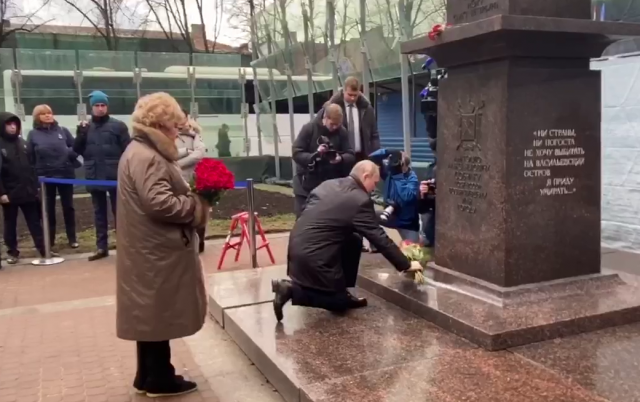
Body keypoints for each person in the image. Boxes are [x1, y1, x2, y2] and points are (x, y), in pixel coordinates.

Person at [116, 92, 210, 397]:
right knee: (159, 313)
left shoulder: (139, 150)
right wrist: (196, 204)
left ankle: (148, 374)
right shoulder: (148, 156)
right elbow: (160, 203)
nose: (177, 131)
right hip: (157, 250)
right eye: (173, 125)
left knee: (150, 315)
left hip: (148, 248)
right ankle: (159, 377)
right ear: (160, 124)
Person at [271, 160, 423, 321]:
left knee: (354, 239)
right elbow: (379, 237)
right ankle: (290, 290)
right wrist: (405, 264)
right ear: (366, 176)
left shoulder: (328, 185)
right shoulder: (360, 200)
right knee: (338, 303)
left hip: (297, 248)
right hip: (314, 258)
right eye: (375, 182)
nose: (374, 188)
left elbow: (315, 214)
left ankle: (342, 290)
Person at [74, 90, 131, 261]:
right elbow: (76, 150)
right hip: (94, 174)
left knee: (119, 213)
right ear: (92, 108)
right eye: (97, 105)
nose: (100, 108)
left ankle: (124, 246)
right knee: (99, 213)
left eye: (103, 105)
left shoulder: (118, 126)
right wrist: (81, 134)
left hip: (114, 176)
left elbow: (127, 150)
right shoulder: (85, 128)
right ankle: (101, 247)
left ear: (107, 107)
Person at [26, 105, 78, 249]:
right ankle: (50, 240)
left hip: (65, 174)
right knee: (48, 209)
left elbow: (75, 147)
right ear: (37, 117)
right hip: (45, 177)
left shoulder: (63, 131)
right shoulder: (33, 134)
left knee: (68, 207)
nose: (48, 116)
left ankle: (72, 238)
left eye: (49, 113)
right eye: (43, 114)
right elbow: (30, 157)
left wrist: (68, 154)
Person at [292, 103, 355, 218]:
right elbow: (296, 153)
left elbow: (350, 154)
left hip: (331, 185)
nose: (335, 127)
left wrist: (340, 159)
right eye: (332, 124)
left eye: (338, 124)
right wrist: (315, 155)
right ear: (325, 118)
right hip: (306, 184)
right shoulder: (309, 128)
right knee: (304, 219)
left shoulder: (342, 132)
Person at [0, 112, 47, 265]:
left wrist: (35, 187)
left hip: (28, 192)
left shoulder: (24, 143)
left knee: (35, 222)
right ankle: (12, 252)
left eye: (15, 124)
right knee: (10, 224)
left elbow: (32, 167)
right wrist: (2, 193)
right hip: (10, 193)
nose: (13, 127)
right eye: (9, 124)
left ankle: (43, 249)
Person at [315, 76, 380, 161]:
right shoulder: (330, 107)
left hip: (362, 157)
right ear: (343, 91)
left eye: (355, 95)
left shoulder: (367, 108)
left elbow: (374, 134)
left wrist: (375, 155)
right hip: (340, 157)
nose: (352, 98)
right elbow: (318, 126)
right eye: (350, 95)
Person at [369, 149, 420, 243]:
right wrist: (388, 151)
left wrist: (399, 176)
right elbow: (372, 157)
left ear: (404, 165)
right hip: (390, 216)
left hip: (406, 223)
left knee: (413, 253)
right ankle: (380, 243)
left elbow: (407, 197)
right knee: (367, 216)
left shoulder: (412, 177)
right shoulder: (389, 173)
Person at [175, 116, 207, 253]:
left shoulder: (196, 136)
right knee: (181, 210)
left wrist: (178, 163)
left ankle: (200, 240)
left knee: (200, 211)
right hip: (177, 178)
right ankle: (184, 240)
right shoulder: (170, 136)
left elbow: (199, 154)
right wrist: (186, 152)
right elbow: (169, 154)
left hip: (195, 177)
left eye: (184, 118)